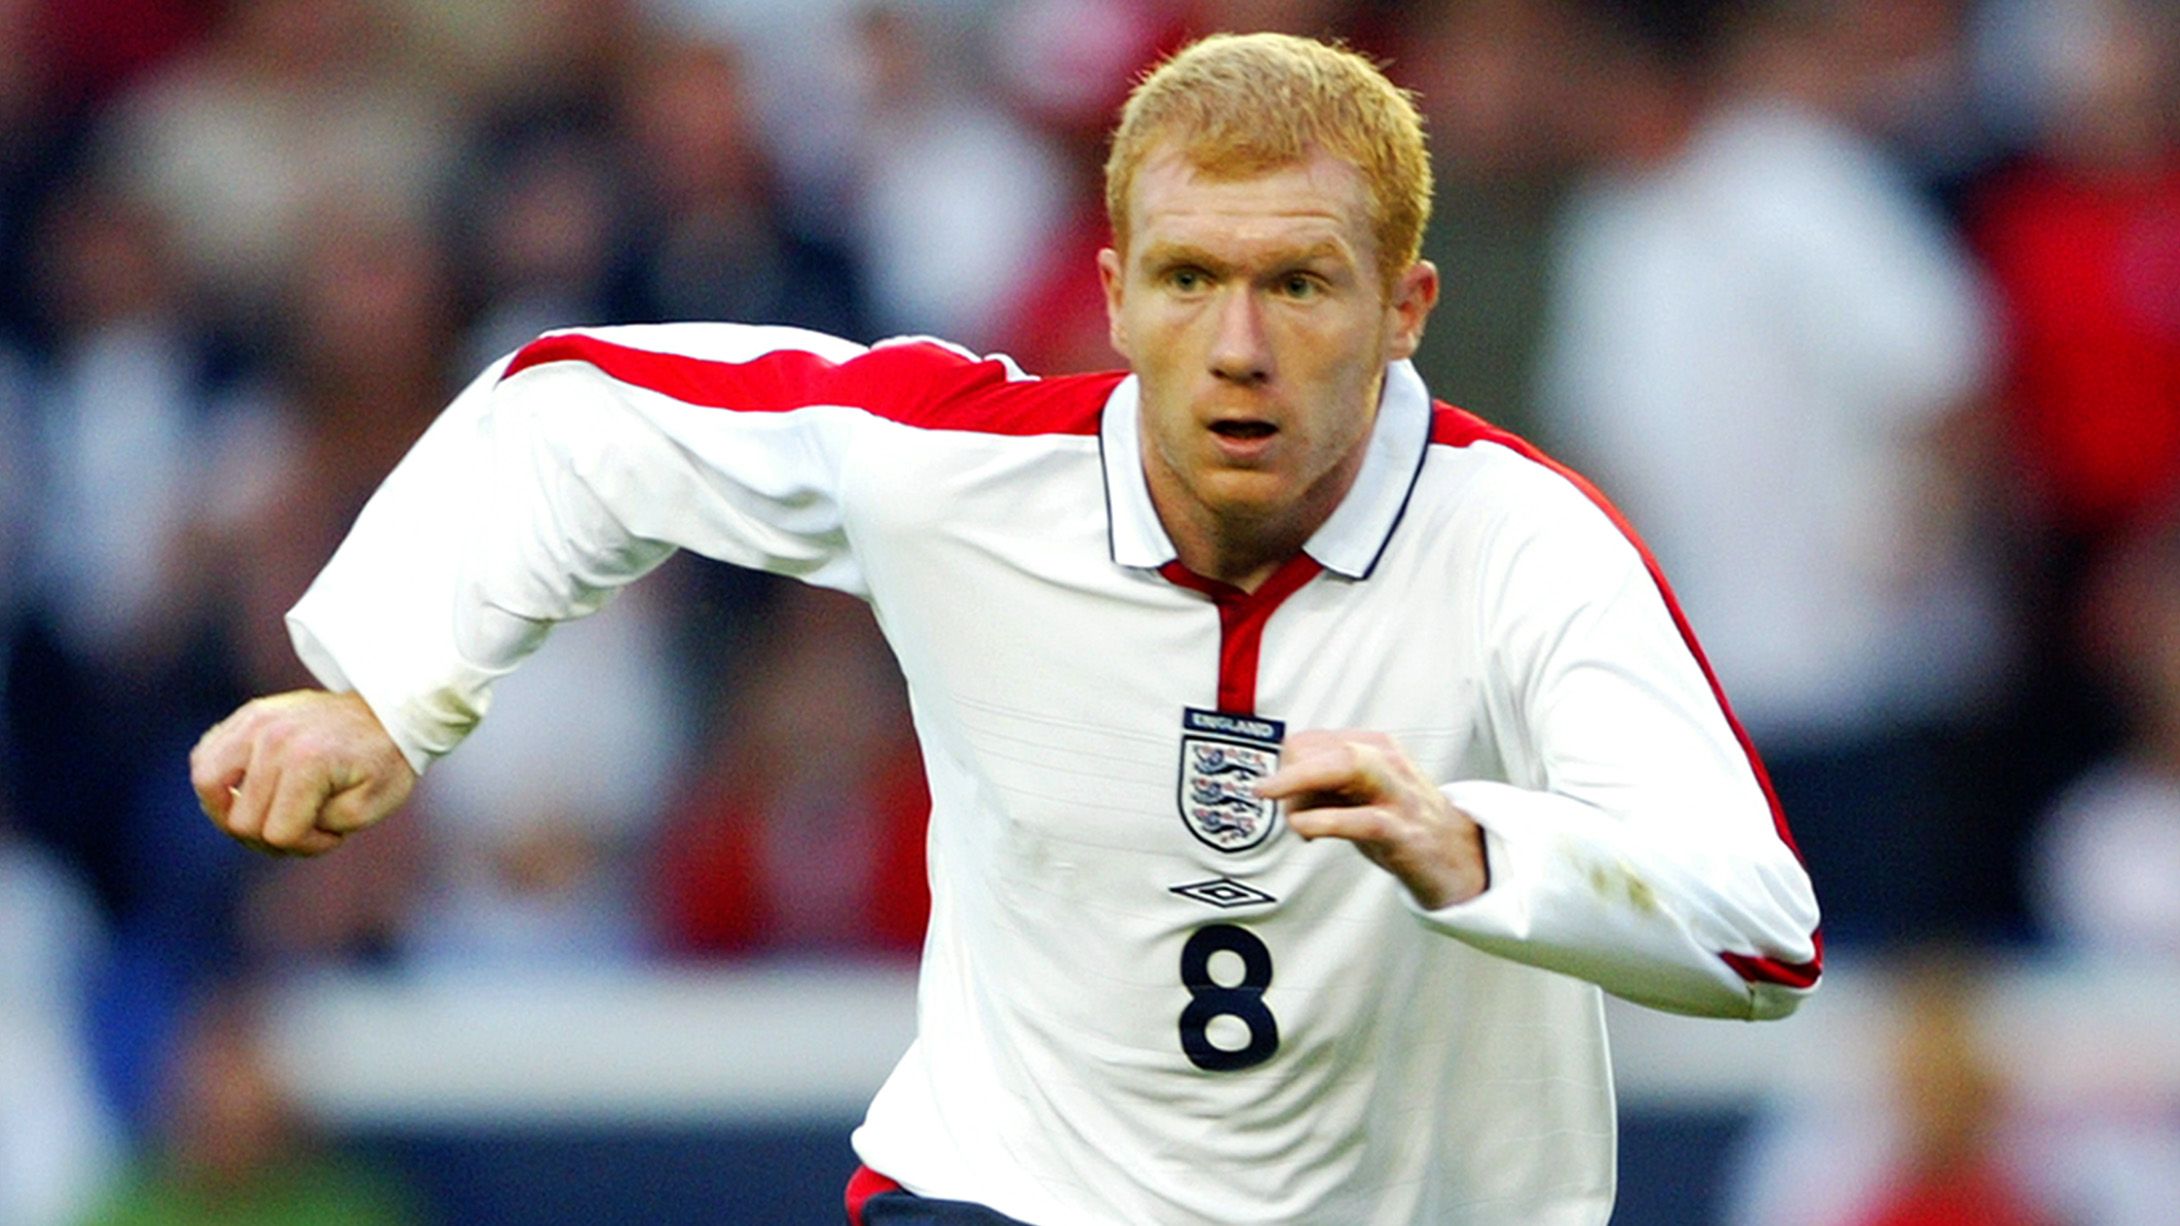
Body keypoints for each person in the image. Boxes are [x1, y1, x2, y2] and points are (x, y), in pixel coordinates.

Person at [188, 31, 1821, 1226]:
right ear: (1111, 294)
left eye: (1301, 286)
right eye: (1187, 279)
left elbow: (1759, 929)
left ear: (1406, 309)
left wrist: (1480, 848)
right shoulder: (960, 469)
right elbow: (576, 416)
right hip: (1000, 1198)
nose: (1236, 345)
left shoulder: (1529, 546)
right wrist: (383, 695)